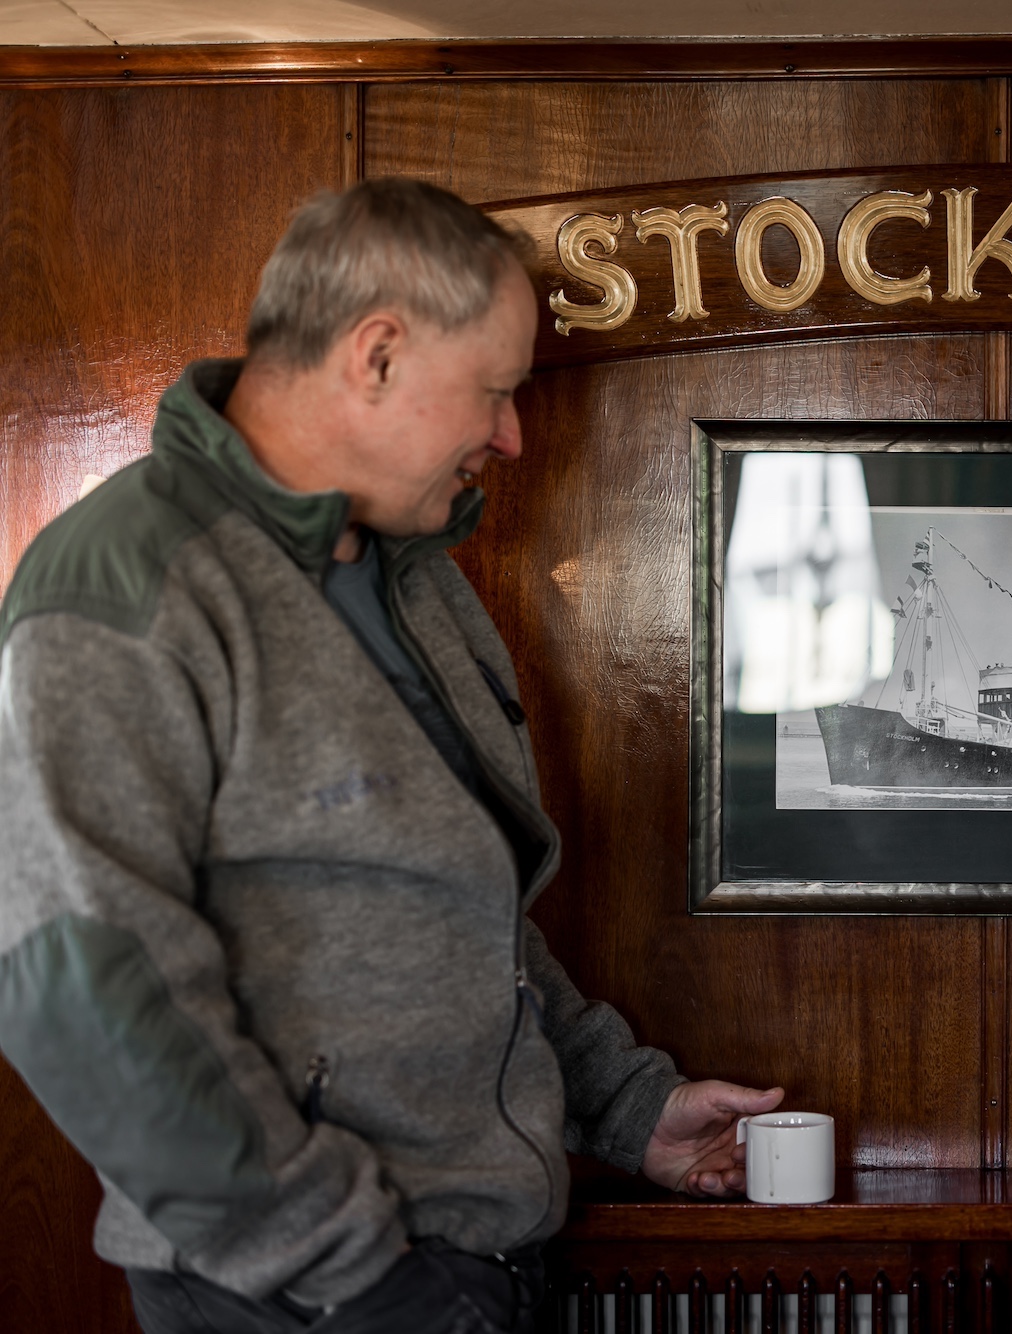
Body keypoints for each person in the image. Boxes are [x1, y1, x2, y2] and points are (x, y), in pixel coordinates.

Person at [0, 179, 783, 1333]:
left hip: (472, 1266)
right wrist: (358, 1275)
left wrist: (630, 1105)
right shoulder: (125, 580)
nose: (511, 435)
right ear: (376, 354)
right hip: (305, 1296)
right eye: (498, 391)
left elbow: (468, 919)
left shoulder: (413, 574)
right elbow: (84, 995)